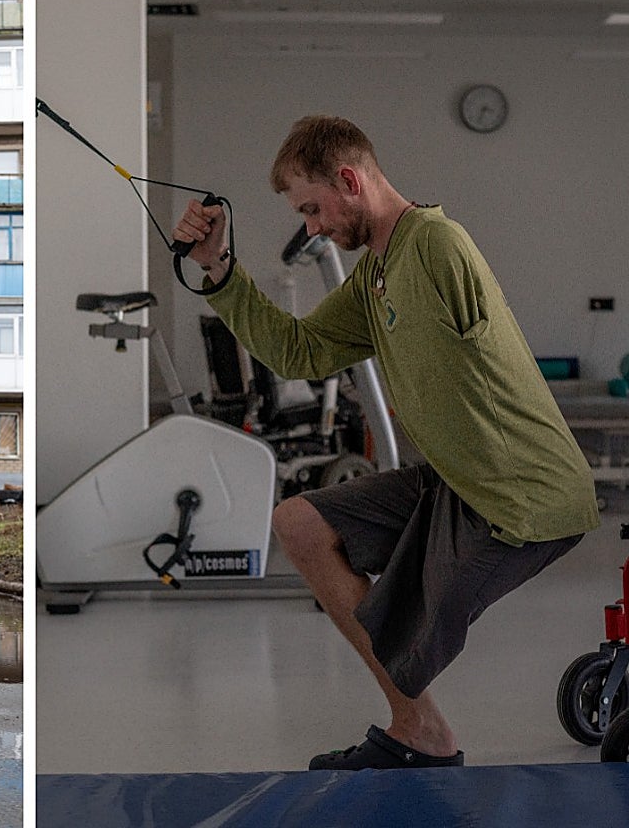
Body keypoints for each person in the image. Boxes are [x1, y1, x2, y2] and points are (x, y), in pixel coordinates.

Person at [173, 115, 598, 770]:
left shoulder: (434, 245)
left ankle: (416, 727)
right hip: (459, 483)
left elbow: (451, 368)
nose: (311, 226)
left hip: (521, 498)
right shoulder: (374, 276)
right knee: (303, 524)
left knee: (396, 632)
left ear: (349, 180)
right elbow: (298, 351)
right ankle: (420, 728)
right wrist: (219, 271)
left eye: (313, 209)